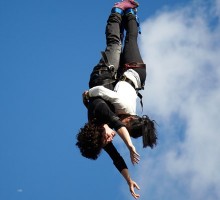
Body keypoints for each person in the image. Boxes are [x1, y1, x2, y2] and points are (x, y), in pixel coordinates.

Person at [76, 1, 141, 199]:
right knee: (127, 45)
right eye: (107, 141)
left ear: (98, 132)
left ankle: (117, 9)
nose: (110, 139)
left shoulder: (98, 112)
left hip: (105, 73)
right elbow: (117, 159)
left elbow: (117, 123)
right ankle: (129, 15)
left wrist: (130, 145)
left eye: (106, 138)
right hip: (114, 80)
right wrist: (129, 180)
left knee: (115, 43)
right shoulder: (101, 134)